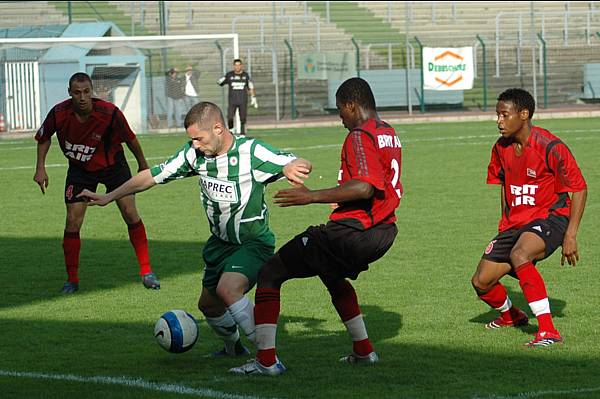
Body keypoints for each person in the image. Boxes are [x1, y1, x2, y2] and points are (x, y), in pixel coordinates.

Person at [78, 102, 312, 357]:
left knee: (228, 289)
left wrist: (293, 166)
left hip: (253, 242)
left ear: (218, 129)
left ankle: (267, 359)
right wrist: (109, 196)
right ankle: (233, 348)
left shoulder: (251, 152)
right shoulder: (194, 154)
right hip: (219, 244)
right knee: (209, 306)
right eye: (192, 140)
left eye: (199, 139)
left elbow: (299, 161)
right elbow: (151, 176)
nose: (195, 145)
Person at [230, 77, 403, 375]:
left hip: (353, 232)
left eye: (340, 110)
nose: (340, 118)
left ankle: (266, 362)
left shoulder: (359, 135)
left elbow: (363, 187)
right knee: (332, 275)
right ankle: (364, 351)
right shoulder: (388, 132)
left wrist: (311, 197)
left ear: (352, 104)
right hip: (384, 232)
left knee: (270, 272)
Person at [471, 88, 587, 347]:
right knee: (481, 281)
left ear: (524, 114)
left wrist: (570, 235)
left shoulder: (551, 146)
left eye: (504, 115)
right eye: (497, 115)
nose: (498, 121)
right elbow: (504, 184)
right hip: (517, 222)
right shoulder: (501, 148)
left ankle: (548, 331)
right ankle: (512, 316)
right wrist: (505, 223)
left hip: (551, 217)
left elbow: (579, 187)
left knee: (520, 254)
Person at [33, 72, 160, 294]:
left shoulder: (109, 113)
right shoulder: (59, 113)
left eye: (86, 92)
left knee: (130, 212)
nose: (82, 97)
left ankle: (147, 271)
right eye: (77, 92)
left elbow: (130, 139)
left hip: (114, 167)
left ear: (92, 92)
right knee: (72, 221)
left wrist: (143, 164)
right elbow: (44, 137)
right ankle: (72, 280)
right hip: (80, 170)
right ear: (69, 93)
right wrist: (40, 168)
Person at [217, 59, 257, 136]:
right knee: (230, 117)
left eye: (239, 65)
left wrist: (253, 97)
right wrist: (221, 80)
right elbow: (220, 82)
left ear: (241, 66)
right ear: (234, 66)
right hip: (232, 101)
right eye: (236, 65)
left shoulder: (245, 75)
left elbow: (250, 86)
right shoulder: (229, 75)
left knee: (243, 118)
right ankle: (231, 131)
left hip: (242, 100)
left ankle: (242, 134)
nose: (237, 67)